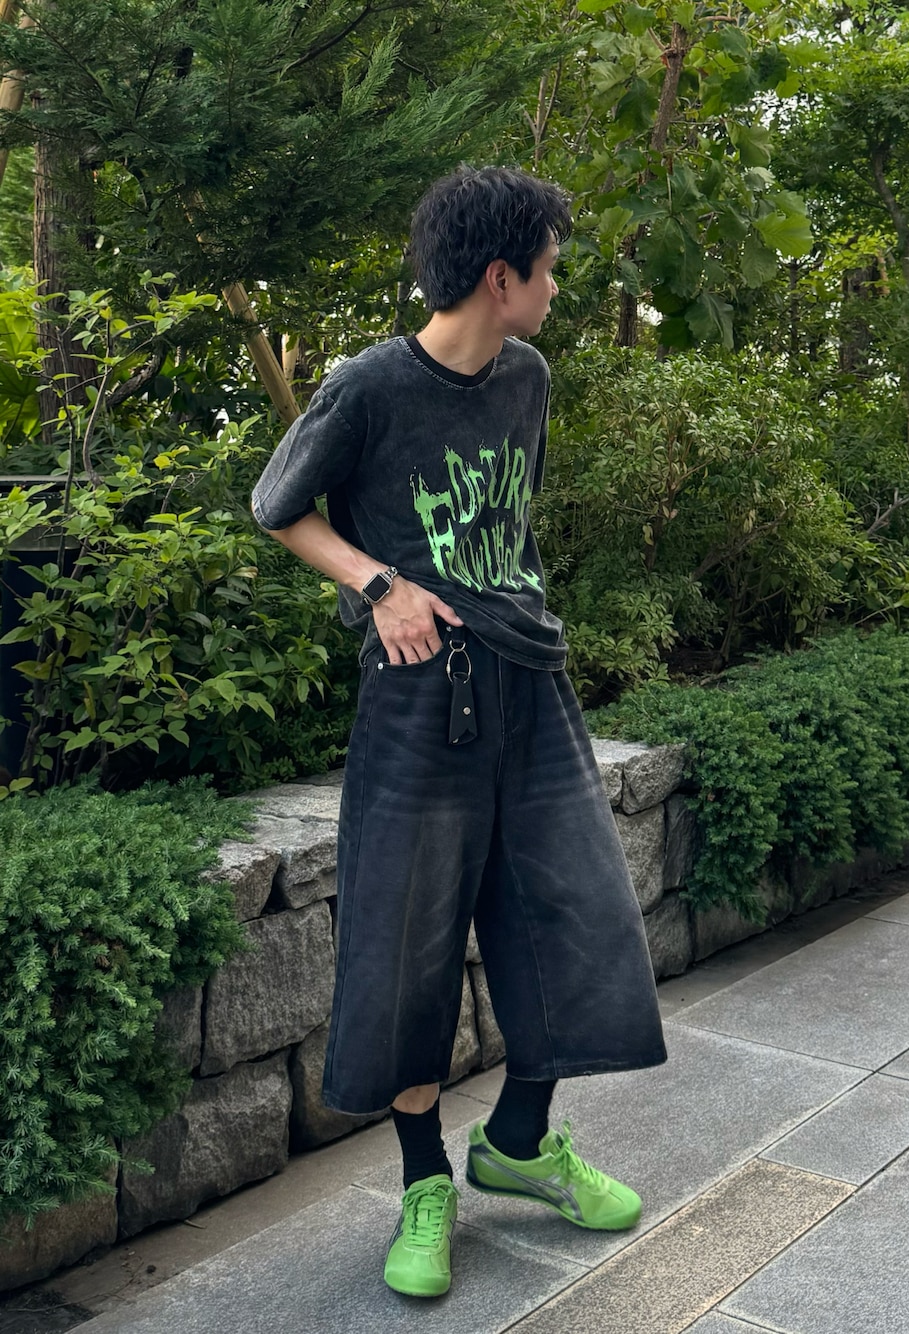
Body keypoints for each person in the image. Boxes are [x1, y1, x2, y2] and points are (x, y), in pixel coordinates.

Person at [251, 166, 667, 1299]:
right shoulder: (369, 387)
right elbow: (277, 505)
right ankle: (425, 1180)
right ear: (500, 276)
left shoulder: (528, 377)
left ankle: (520, 1141)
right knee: (406, 946)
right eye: (549, 268)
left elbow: (508, 529)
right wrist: (380, 584)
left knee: (575, 918)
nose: (556, 286)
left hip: (530, 687)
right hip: (417, 702)